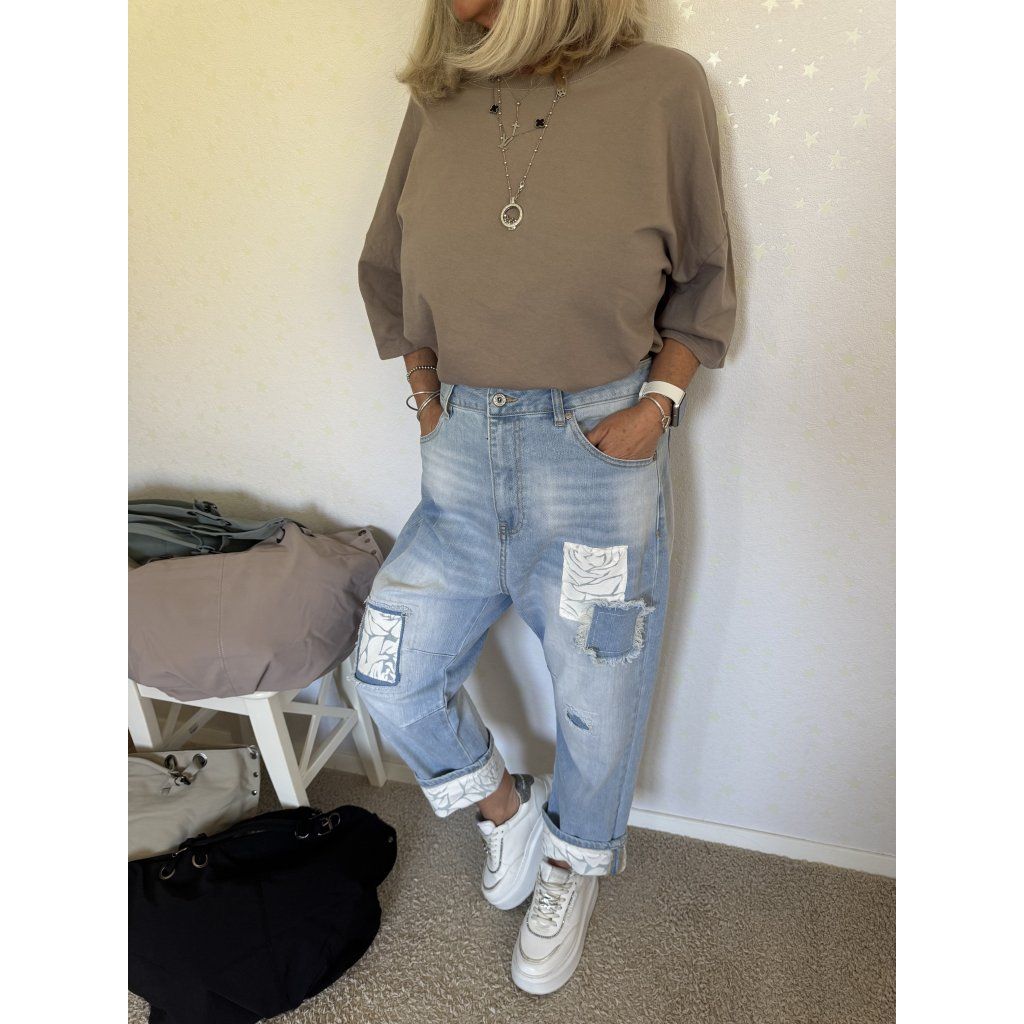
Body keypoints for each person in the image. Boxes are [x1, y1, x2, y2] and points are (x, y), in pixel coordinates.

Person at [355, 0, 735, 995]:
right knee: (387, 670)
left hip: (593, 458)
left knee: (598, 699)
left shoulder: (663, 89)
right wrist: (426, 395)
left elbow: (704, 278)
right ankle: (508, 815)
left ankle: (573, 866)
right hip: (459, 453)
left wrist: (656, 407)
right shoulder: (439, 98)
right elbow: (392, 266)